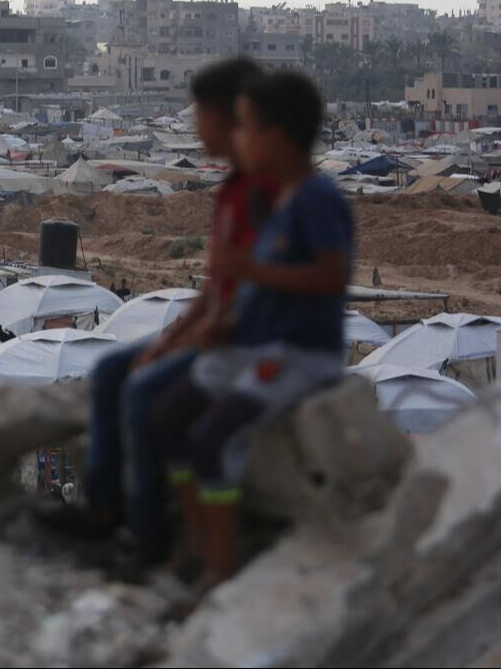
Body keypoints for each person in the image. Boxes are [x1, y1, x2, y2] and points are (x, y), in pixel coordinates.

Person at [53, 56, 271, 563]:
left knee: (145, 392)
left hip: (248, 344)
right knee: (111, 371)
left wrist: (195, 339)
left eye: (202, 114)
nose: (195, 126)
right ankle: (102, 511)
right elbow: (216, 286)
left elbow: (254, 297)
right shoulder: (233, 190)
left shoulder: (264, 193)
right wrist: (172, 338)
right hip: (219, 331)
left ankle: (146, 533)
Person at [150, 69, 353, 592]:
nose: (236, 140)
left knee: (214, 438)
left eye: (246, 128)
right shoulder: (277, 202)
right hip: (257, 344)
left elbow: (331, 276)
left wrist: (251, 271)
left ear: (277, 135)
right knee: (169, 417)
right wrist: (229, 322)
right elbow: (267, 293)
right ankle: (195, 543)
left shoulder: (317, 199)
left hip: (299, 354)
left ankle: (220, 566)